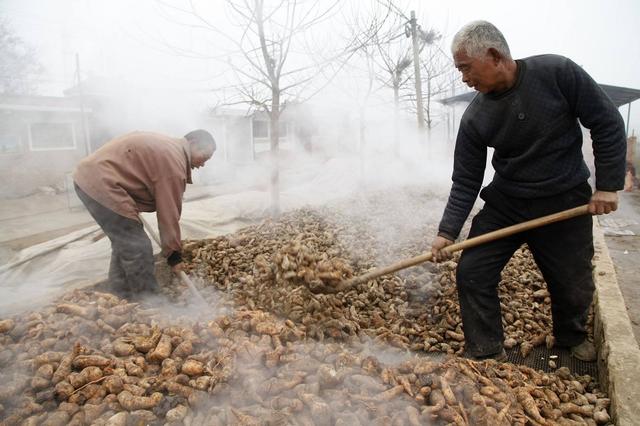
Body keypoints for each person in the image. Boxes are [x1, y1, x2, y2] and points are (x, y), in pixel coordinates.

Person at [431, 21, 626, 362]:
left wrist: (608, 186)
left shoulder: (557, 72)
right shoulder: (475, 118)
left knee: (572, 281)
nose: (464, 78)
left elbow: (606, 121)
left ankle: (571, 336)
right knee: (472, 271)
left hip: (564, 197)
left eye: (465, 68)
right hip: (508, 203)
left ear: (493, 56)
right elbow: (465, 180)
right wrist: (447, 232)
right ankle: (486, 349)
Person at [73, 130, 216, 298]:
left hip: (92, 179)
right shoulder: (173, 163)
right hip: (103, 184)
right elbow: (168, 214)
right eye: (204, 156)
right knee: (138, 248)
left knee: (126, 244)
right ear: (191, 143)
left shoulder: (170, 149)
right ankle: (152, 303)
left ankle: (120, 296)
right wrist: (174, 255)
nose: (202, 164)